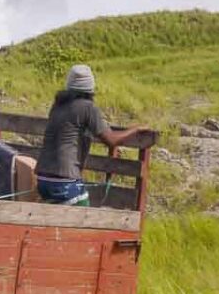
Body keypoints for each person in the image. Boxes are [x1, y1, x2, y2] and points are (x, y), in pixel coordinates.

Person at [35, 64, 146, 206]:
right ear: (90, 87)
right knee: (84, 219)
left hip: (43, 180)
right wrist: (135, 130)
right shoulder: (88, 107)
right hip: (66, 182)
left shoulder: (58, 105)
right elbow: (111, 140)